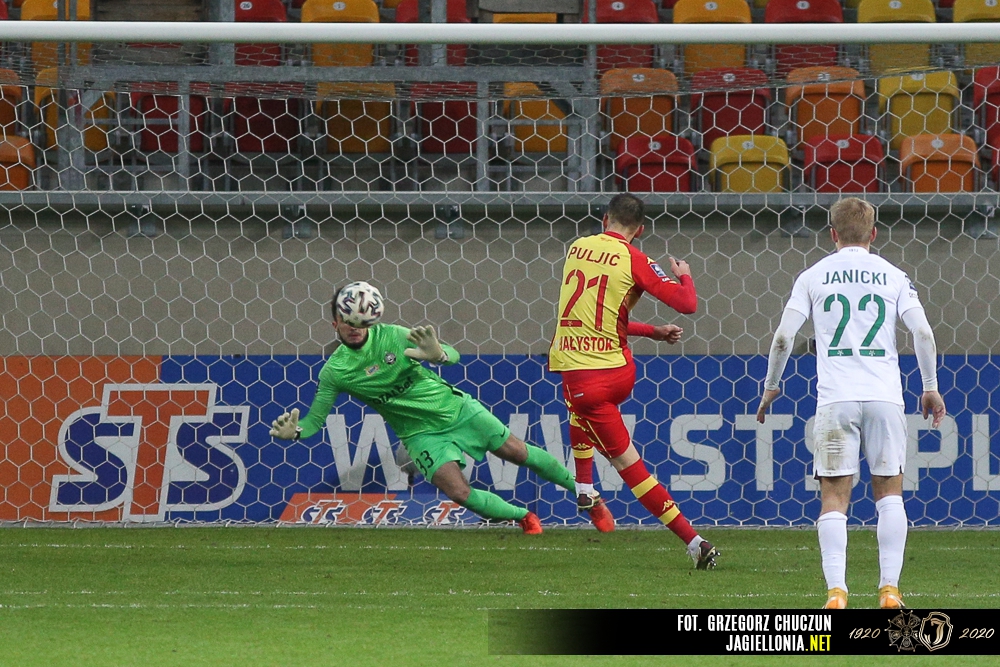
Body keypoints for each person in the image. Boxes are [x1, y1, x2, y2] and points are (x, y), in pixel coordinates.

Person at [270, 285, 600, 535]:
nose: (354, 325)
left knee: (517, 452)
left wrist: (437, 354)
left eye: (359, 319)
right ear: (335, 323)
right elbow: (314, 420)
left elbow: (453, 355)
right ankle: (524, 517)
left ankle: (586, 494)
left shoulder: (394, 335)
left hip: (455, 409)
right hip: (419, 434)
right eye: (347, 320)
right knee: (458, 491)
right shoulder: (335, 371)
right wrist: (296, 432)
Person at [756, 197, 946, 609]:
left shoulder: (813, 276)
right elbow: (924, 334)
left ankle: (836, 593)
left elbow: (784, 337)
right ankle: (890, 590)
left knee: (834, 499)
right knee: (890, 494)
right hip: (884, 397)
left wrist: (772, 385)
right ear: (874, 233)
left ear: (833, 234)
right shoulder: (894, 276)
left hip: (836, 399)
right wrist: (930, 386)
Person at [548, 193, 719, 569]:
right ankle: (585, 487)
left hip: (585, 376)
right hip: (617, 370)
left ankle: (695, 542)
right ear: (639, 230)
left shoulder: (577, 248)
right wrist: (683, 277)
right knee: (579, 408)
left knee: (628, 464)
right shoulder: (635, 259)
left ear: (604, 218)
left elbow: (592, 312)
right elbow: (686, 303)